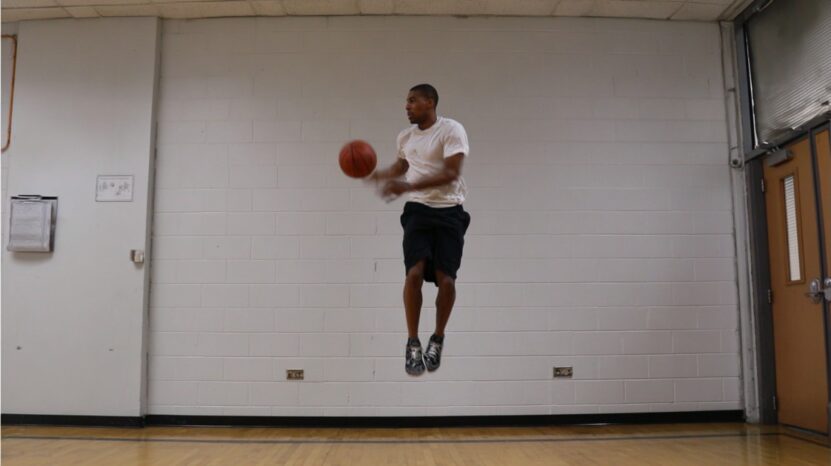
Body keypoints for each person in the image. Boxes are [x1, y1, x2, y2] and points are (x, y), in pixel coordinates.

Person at [369, 84, 471, 376]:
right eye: (406, 101)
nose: (407, 105)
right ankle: (412, 341)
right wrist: (381, 174)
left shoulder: (452, 130)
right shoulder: (405, 136)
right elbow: (404, 165)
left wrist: (408, 185)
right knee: (413, 273)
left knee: (447, 281)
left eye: (412, 100)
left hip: (450, 211)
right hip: (417, 211)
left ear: (430, 102)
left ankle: (437, 337)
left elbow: (451, 172)